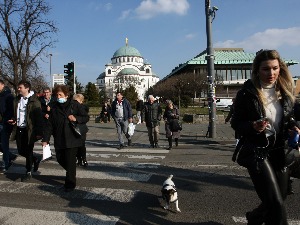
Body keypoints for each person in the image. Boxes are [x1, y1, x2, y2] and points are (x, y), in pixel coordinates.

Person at [231, 49, 296, 225]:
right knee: (275, 203)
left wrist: (294, 127)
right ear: (257, 70)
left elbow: (291, 118)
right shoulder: (247, 92)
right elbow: (236, 123)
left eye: (275, 68)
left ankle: (255, 217)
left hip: (280, 151)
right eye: (266, 69)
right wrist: (252, 126)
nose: (271, 73)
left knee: (278, 199)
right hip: (257, 152)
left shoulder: (286, 90)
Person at [42, 85, 89, 192]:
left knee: (70, 159)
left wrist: (76, 118)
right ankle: (71, 171)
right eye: (57, 95)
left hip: (72, 138)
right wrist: (46, 139)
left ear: (66, 95)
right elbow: (50, 125)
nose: (58, 97)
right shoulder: (53, 106)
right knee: (60, 158)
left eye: (60, 95)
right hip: (59, 138)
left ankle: (70, 184)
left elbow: (86, 117)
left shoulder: (75, 105)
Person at [9, 80, 43, 182]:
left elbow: (38, 118)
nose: (18, 89)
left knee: (28, 151)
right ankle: (35, 159)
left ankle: (28, 171)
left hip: (29, 130)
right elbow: (15, 113)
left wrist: (38, 132)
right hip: (19, 128)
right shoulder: (17, 100)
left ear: (27, 88)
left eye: (20, 88)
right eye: (18, 88)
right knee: (20, 150)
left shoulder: (34, 101)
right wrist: (14, 119)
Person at [0, 80, 17, 173]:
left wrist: (6, 119)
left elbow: (11, 110)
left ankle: (6, 163)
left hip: (5, 123)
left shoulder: (8, 96)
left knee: (4, 143)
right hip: (1, 122)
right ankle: (10, 156)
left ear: (2, 85)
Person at [38, 86, 56, 159]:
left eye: (47, 92)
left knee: (57, 139)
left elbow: (58, 110)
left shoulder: (55, 100)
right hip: (45, 123)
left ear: (50, 93)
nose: (46, 94)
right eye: (44, 93)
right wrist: (44, 114)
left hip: (54, 122)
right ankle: (47, 154)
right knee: (45, 139)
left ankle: (59, 153)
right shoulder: (40, 100)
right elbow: (38, 110)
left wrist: (51, 109)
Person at [73, 94, 89, 167]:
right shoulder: (72, 107)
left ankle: (84, 159)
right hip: (74, 128)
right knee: (75, 146)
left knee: (82, 145)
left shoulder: (83, 107)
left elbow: (85, 118)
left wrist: (76, 119)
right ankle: (79, 159)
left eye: (77, 100)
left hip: (81, 128)